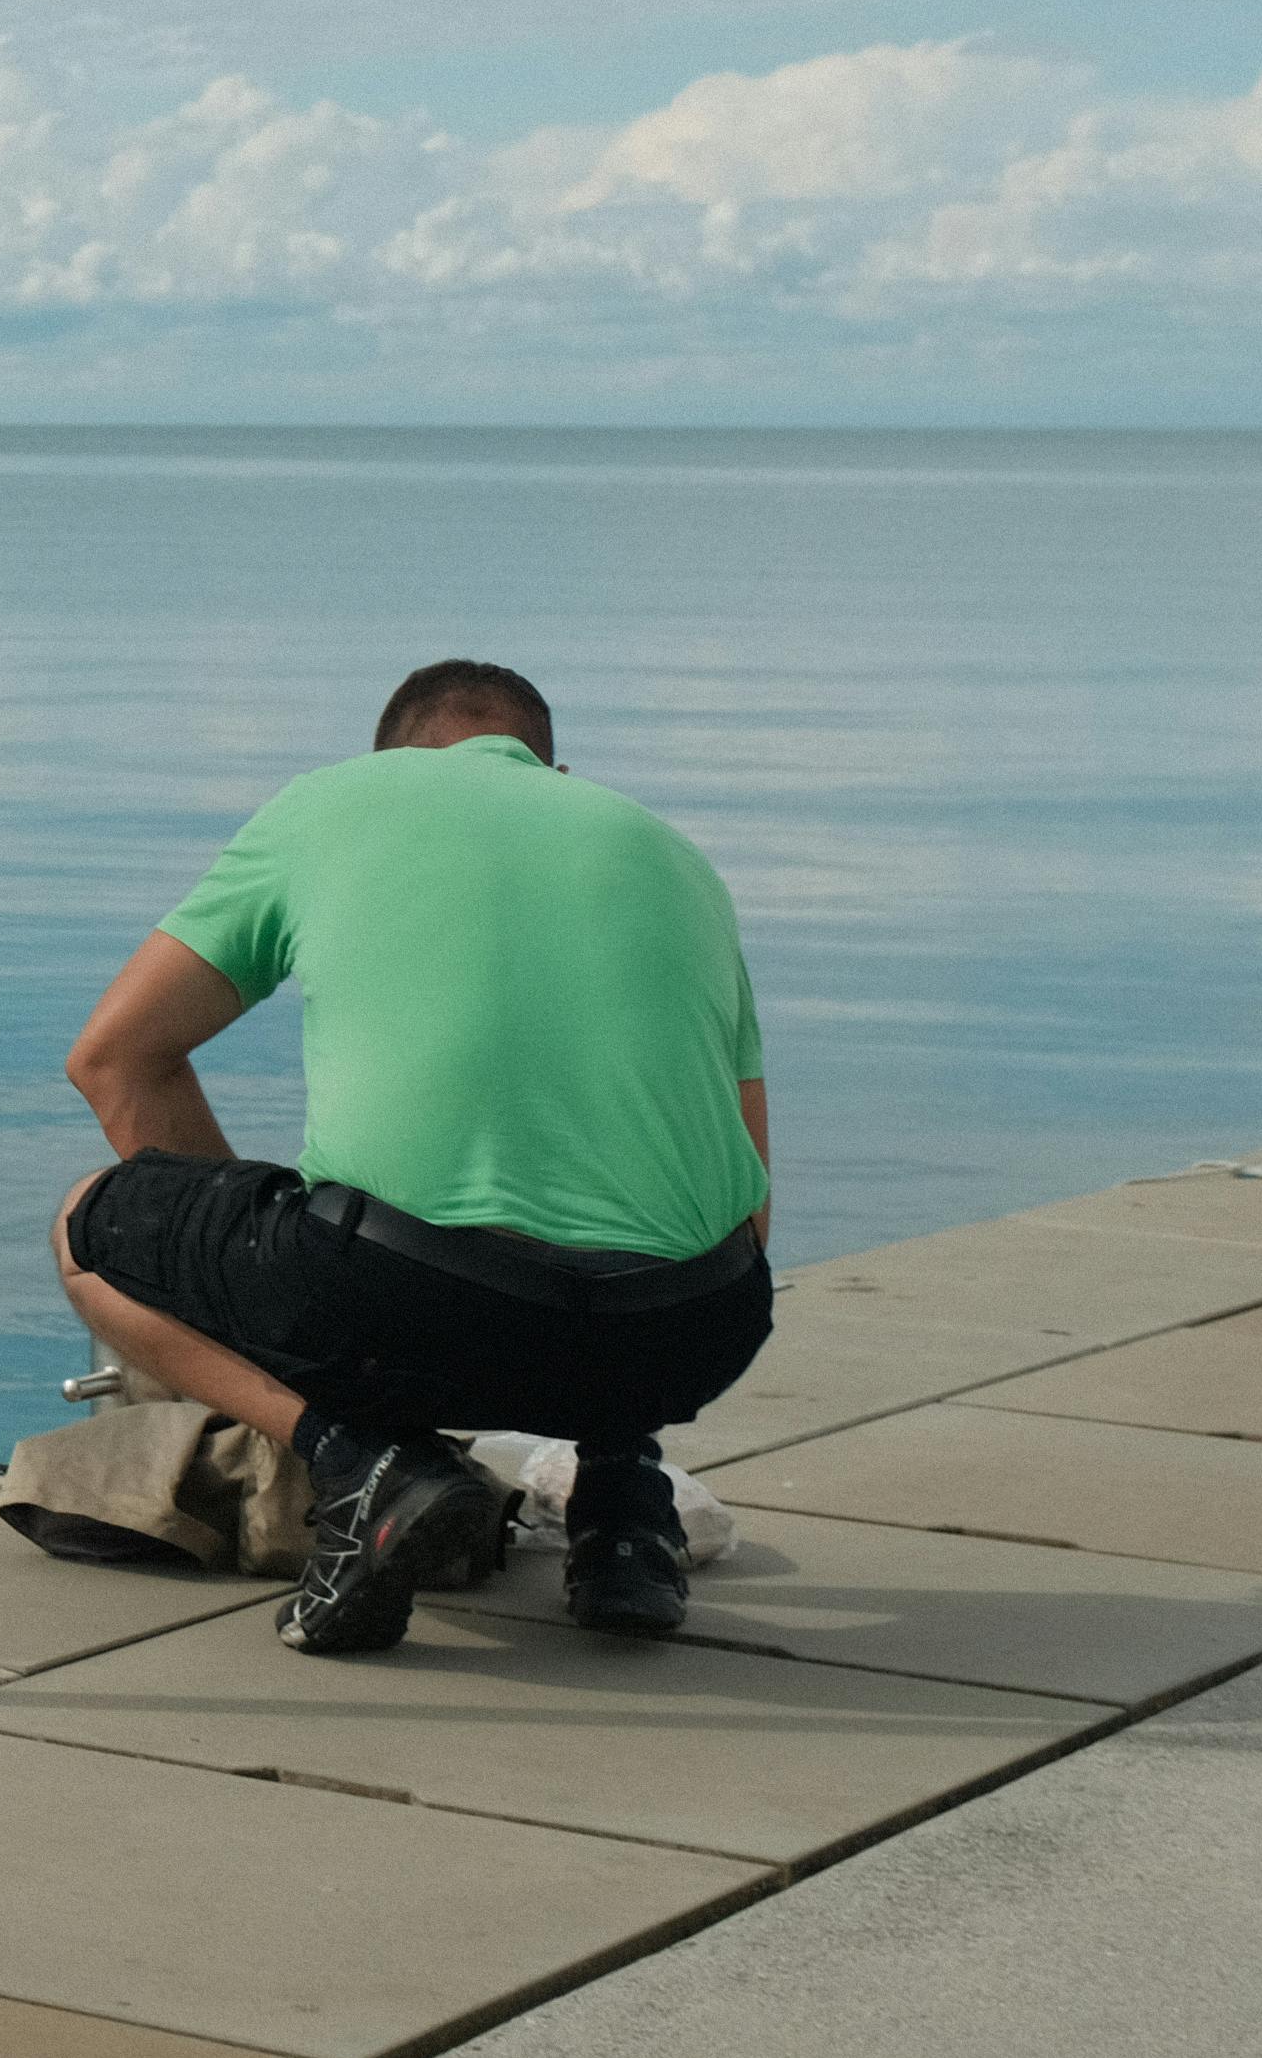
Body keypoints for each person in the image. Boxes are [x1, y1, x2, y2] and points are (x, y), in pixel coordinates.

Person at [49, 659, 773, 1656]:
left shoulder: (334, 802)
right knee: (629, 1218)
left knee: (91, 1224)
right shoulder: (672, 854)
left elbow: (115, 1058)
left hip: (412, 1310)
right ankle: (621, 1503)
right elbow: (750, 1208)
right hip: (696, 1333)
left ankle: (361, 1460)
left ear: (392, 761)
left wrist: (260, 1308)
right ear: (552, 774)